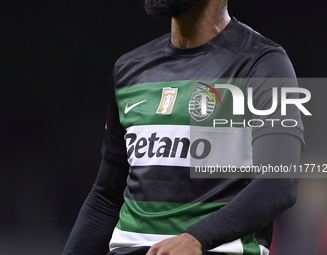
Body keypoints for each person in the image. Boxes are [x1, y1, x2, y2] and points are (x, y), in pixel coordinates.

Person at [63, 0, 305, 254]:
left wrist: (196, 238)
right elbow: (106, 196)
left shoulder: (263, 64)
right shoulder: (129, 69)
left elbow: (279, 182)